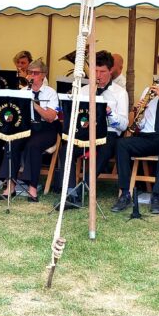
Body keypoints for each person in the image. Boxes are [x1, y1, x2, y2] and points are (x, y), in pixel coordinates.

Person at [110, 51, 159, 215]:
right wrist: (140, 112)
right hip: (149, 136)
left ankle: (156, 195)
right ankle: (125, 193)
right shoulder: (149, 90)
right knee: (122, 144)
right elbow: (143, 124)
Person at [55, 50, 130, 207]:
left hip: (108, 133)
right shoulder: (83, 90)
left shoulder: (120, 93)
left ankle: (85, 188)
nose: (98, 75)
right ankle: (70, 192)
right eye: (95, 71)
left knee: (104, 148)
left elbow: (123, 125)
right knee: (65, 149)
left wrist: (110, 113)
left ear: (110, 71)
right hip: (85, 132)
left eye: (102, 71)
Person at [0, 58, 60, 202]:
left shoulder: (51, 93)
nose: (32, 76)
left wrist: (34, 105)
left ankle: (32, 187)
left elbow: (51, 117)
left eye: (36, 73)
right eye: (30, 73)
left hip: (46, 128)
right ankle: (10, 184)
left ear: (44, 75)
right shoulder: (23, 91)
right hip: (27, 126)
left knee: (33, 146)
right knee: (11, 141)